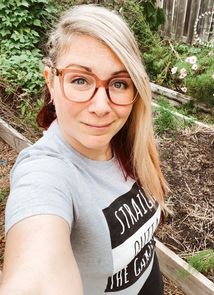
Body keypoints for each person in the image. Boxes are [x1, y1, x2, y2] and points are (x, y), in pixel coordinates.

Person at [0, 4, 168, 295]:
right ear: (51, 82)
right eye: (80, 80)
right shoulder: (45, 172)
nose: (102, 107)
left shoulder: (127, 142)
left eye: (119, 83)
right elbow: (37, 276)